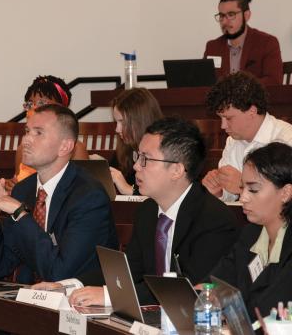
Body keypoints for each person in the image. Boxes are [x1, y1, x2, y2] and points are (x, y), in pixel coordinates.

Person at [34, 117, 238, 305]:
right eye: (138, 157)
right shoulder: (147, 210)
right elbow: (130, 271)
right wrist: (69, 286)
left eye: (145, 159)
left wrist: (109, 296)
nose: (136, 167)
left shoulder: (213, 219)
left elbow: (187, 290)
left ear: (176, 170)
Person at [0, 104, 118, 284]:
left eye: (38, 133)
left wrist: (20, 213)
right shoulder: (23, 189)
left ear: (65, 147)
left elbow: (59, 273)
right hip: (29, 300)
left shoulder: (88, 197)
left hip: (75, 304)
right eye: (27, 131)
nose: (26, 140)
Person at [210, 142, 292, 320]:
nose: (244, 198)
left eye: (253, 189)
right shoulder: (250, 234)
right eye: (242, 188)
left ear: (285, 193)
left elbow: (269, 309)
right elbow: (214, 285)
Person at [202, 72, 292, 202]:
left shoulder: (287, 139)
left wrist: (243, 185)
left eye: (228, 118)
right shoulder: (233, 141)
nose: (223, 126)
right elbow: (230, 194)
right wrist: (218, 191)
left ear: (252, 111)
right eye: (220, 118)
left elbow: (287, 197)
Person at [5, 75, 88, 192]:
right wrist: (15, 187)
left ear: (60, 109)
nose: (34, 109)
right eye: (29, 104)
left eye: (42, 103)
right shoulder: (23, 148)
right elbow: (22, 185)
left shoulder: (76, 149)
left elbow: (81, 190)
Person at [204, 0, 282, 86]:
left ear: (246, 15)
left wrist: (240, 90)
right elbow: (204, 84)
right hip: (221, 101)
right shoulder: (212, 47)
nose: (224, 21)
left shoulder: (267, 43)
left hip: (253, 100)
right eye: (221, 16)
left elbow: (274, 82)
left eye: (231, 15)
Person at [109, 88, 163, 195]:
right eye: (116, 122)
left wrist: (129, 190)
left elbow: (163, 194)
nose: (117, 129)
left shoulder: (163, 149)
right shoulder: (127, 147)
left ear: (140, 120)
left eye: (122, 122)